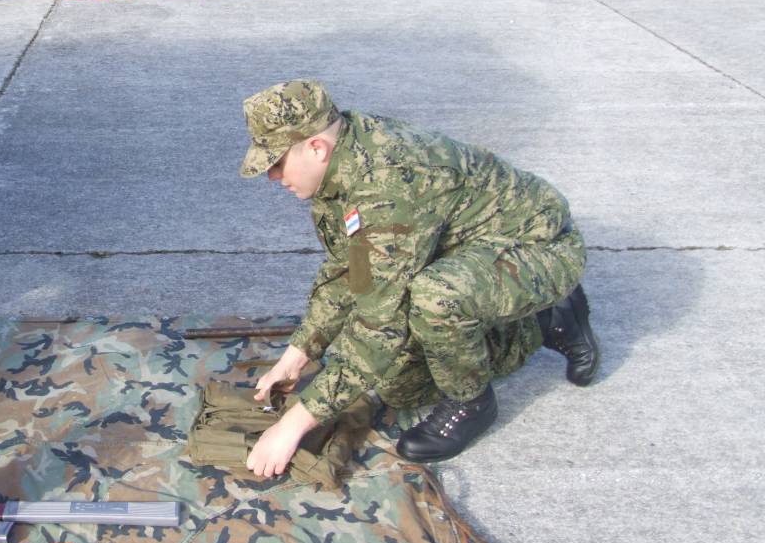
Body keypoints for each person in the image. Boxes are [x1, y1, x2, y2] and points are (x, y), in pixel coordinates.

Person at [237, 80, 600, 475]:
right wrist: (300, 352)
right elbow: (351, 269)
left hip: (540, 245)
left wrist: (294, 425)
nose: (273, 177)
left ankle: (473, 401)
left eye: (276, 162)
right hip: (471, 247)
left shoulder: (386, 186)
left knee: (435, 298)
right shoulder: (343, 160)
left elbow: (380, 325)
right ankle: (541, 318)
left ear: (316, 148)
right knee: (399, 384)